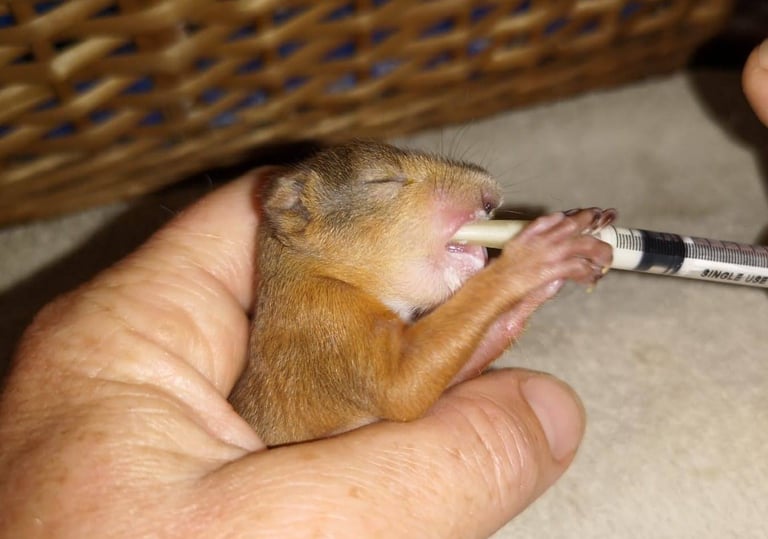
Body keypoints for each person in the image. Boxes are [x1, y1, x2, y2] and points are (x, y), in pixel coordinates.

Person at [1, 40, 766, 538]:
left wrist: (536, 277)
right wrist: (526, 272)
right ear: (303, 219)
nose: (479, 192)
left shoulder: (347, 309)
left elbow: (440, 367)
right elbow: (405, 387)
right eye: (385, 180)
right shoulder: (313, 314)